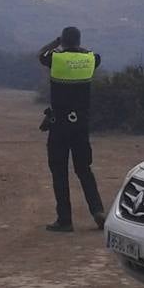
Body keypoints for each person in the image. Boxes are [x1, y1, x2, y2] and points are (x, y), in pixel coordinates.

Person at [37, 26, 106, 232]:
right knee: (84, 170)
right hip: (81, 126)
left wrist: (56, 42)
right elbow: (94, 54)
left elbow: (41, 54)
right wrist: (76, 46)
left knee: (59, 172)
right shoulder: (91, 59)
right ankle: (98, 211)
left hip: (59, 126)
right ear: (79, 41)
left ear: (63, 41)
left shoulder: (56, 59)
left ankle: (65, 220)